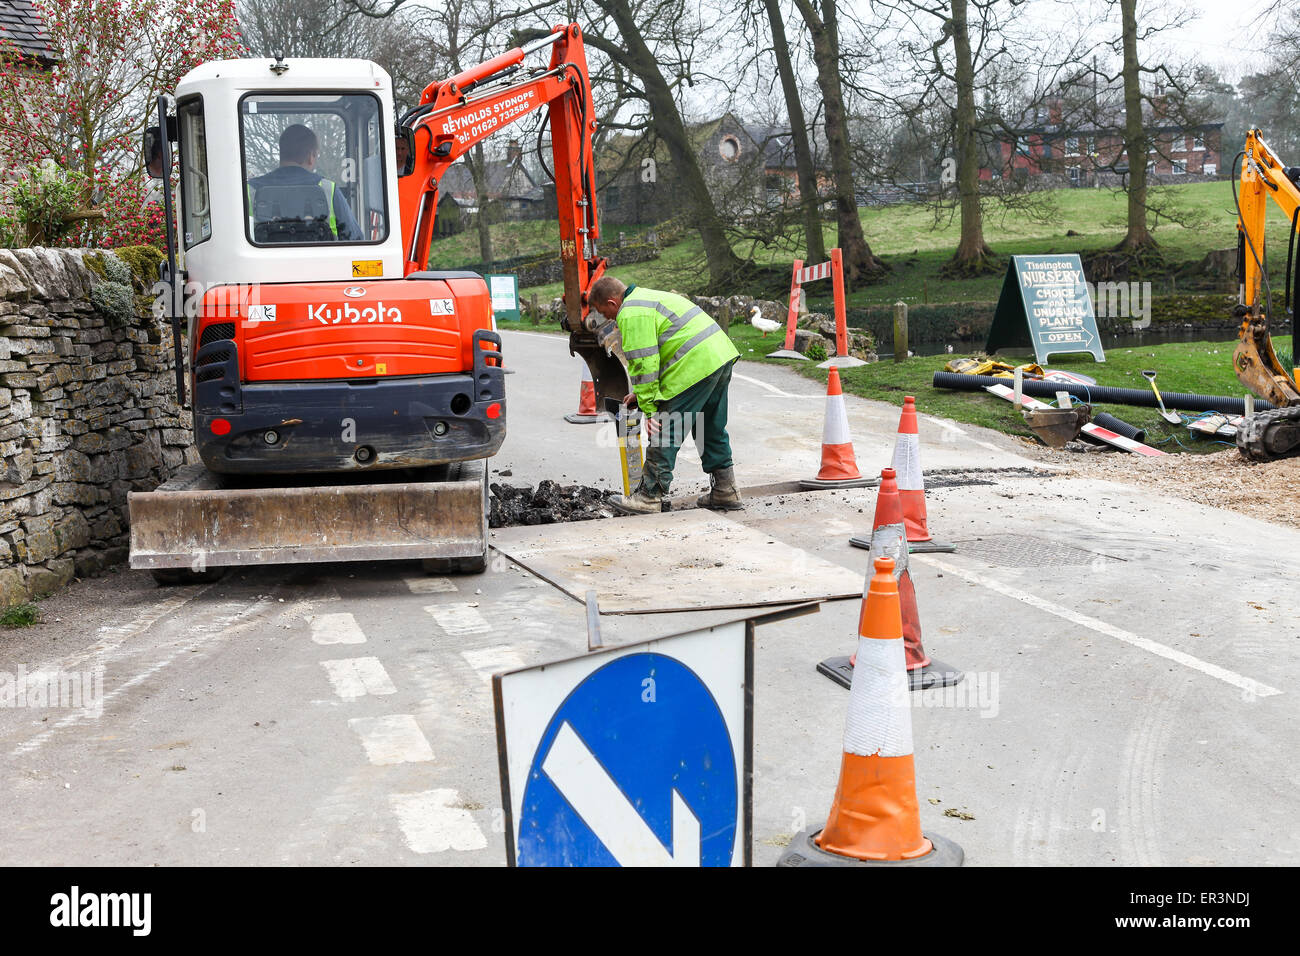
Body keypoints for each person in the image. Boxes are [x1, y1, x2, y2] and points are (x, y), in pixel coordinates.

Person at [588, 276, 742, 515]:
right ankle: (726, 489)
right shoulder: (647, 297)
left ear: (612, 301)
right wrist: (639, 396)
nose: (608, 318)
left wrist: (649, 410)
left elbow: (644, 363)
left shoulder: (631, 313)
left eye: (604, 312)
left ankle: (649, 496)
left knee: (664, 426)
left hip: (694, 365)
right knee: (710, 426)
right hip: (718, 356)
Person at [247, 124, 364, 241]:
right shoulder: (329, 189)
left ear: (282, 153)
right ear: (311, 156)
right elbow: (354, 239)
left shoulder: (249, 190)